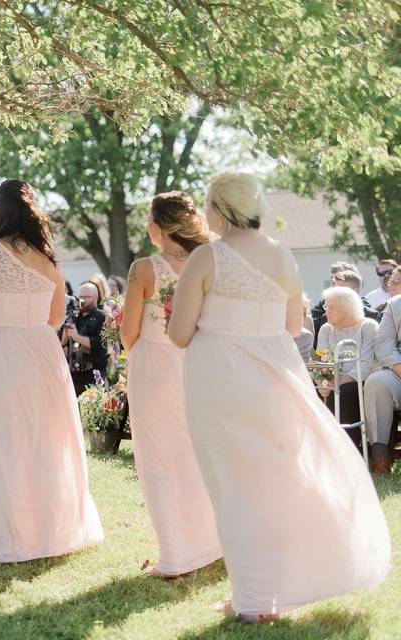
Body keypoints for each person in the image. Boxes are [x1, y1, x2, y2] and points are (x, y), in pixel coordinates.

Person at [168, 171, 390, 622]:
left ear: (223, 207)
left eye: (208, 203)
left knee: (232, 483)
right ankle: (266, 588)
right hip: (274, 375)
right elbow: (294, 327)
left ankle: (251, 596)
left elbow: (178, 334)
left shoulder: (207, 258)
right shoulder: (283, 256)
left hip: (220, 377)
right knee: (275, 477)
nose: (205, 212)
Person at [0, 179, 103, 563]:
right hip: (42, 352)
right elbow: (56, 317)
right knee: (45, 440)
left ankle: (14, 538)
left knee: (5, 442)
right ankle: (53, 529)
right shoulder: (49, 260)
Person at [119, 191, 221, 579]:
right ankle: (211, 542)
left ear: (157, 227)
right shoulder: (207, 262)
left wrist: (139, 352)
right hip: (197, 363)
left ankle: (176, 557)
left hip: (154, 365)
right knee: (196, 454)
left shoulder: (144, 268)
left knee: (158, 459)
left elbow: (128, 330)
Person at [316, 287, 379, 452]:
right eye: (326, 306)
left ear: (347, 307)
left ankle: (345, 450)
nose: (326, 311)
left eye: (331, 307)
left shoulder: (368, 327)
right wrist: (321, 381)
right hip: (332, 381)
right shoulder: (325, 329)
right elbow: (320, 359)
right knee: (311, 389)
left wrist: (338, 381)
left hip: (358, 381)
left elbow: (368, 363)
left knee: (344, 391)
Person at [363, 288, 401, 475]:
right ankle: (380, 458)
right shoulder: (395, 304)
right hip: (398, 369)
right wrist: (398, 366)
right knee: (377, 382)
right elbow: (384, 343)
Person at [61, 283, 108, 392]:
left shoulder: (102, 317)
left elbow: (99, 343)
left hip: (94, 372)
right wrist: (66, 331)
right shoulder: (73, 315)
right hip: (74, 373)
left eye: (87, 297)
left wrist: (77, 337)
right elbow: (62, 343)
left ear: (96, 298)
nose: (82, 300)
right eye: (80, 297)